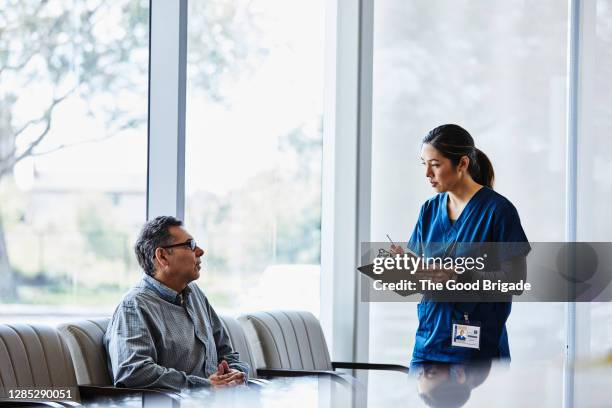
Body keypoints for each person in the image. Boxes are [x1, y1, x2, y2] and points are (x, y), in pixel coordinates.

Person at [391, 124, 530, 363]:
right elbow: (418, 278)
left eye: (435, 164)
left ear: (462, 164)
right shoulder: (429, 210)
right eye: (424, 164)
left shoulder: (498, 211)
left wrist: (458, 277)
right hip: (428, 345)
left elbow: (515, 281)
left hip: (477, 351)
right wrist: (407, 267)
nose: (427, 173)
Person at [104, 216, 249, 390]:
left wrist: (235, 374)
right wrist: (204, 387)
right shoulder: (135, 306)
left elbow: (226, 354)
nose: (200, 251)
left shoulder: (195, 294)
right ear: (163, 256)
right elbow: (133, 371)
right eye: (191, 245)